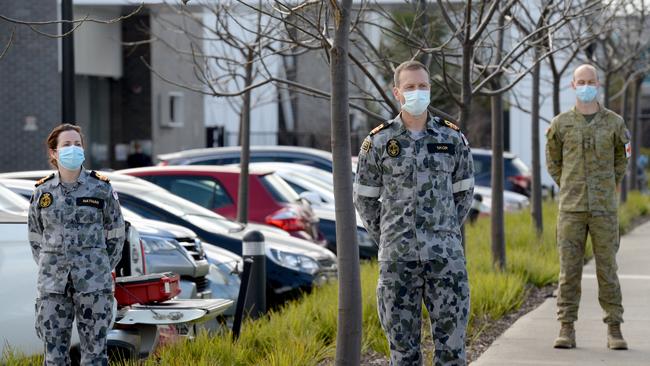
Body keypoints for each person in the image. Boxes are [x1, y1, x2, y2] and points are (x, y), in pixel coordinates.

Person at [353, 60, 474, 366]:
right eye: (410, 87)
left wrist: (442, 230)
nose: (417, 92)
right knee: (403, 354)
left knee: (451, 353)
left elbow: (464, 193)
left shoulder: (451, 138)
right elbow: (365, 198)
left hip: (445, 259)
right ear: (397, 92)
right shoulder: (379, 141)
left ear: (430, 90)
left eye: (423, 86)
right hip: (398, 261)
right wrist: (391, 237)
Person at [546, 64, 630, 350]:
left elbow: (622, 159)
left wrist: (607, 184)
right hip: (571, 209)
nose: (586, 85)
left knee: (607, 270)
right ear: (572, 85)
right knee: (568, 271)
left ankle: (614, 329)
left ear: (598, 83)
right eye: (580, 81)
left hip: (604, 210)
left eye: (590, 81)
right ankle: (566, 327)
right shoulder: (560, 124)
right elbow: (553, 162)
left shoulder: (615, 123)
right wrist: (570, 185)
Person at [28, 124, 125, 365]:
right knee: (54, 357)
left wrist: (99, 265)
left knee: (94, 356)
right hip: (52, 287)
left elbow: (115, 234)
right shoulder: (42, 192)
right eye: (67, 145)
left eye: (78, 144)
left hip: (94, 285)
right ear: (54, 152)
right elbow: (36, 237)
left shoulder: (101, 187)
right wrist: (52, 266)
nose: (74, 149)